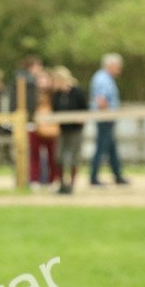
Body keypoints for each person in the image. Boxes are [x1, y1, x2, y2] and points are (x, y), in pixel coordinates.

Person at [89, 52, 128, 186]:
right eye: (117, 66)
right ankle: (93, 176)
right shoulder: (103, 79)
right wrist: (108, 115)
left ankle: (117, 174)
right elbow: (101, 100)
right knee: (101, 147)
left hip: (107, 117)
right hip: (104, 118)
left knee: (111, 148)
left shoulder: (106, 78)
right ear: (110, 65)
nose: (119, 70)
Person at [50, 66, 86, 195]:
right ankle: (61, 183)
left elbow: (84, 109)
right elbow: (55, 111)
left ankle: (71, 184)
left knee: (73, 157)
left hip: (75, 130)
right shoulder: (57, 95)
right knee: (59, 156)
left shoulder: (77, 92)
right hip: (62, 130)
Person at [28, 68, 58, 187]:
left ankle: (53, 180)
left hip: (52, 128)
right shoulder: (32, 94)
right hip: (35, 127)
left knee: (53, 156)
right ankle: (34, 180)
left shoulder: (55, 95)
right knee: (34, 156)